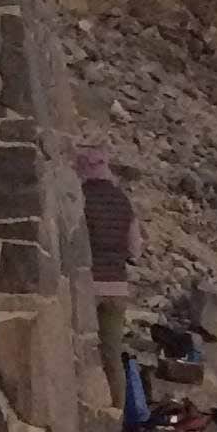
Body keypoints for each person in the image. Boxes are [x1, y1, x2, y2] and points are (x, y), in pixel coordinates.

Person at [76, 144, 138, 406]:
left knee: (81, 352)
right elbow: (135, 248)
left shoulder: (79, 197)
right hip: (117, 287)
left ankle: (87, 411)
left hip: (88, 286)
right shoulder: (123, 200)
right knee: (112, 356)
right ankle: (117, 413)